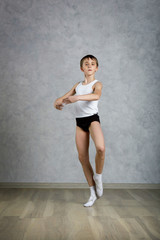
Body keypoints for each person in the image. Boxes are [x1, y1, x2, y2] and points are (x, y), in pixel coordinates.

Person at [54, 54, 105, 207]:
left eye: (93, 63)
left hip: (92, 119)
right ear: (82, 68)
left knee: (101, 148)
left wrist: (77, 98)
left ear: (96, 68)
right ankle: (92, 193)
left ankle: (98, 176)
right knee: (82, 158)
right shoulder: (78, 86)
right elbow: (63, 98)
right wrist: (58, 102)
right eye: (86, 63)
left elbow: (96, 96)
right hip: (79, 122)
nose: (89, 65)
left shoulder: (97, 83)